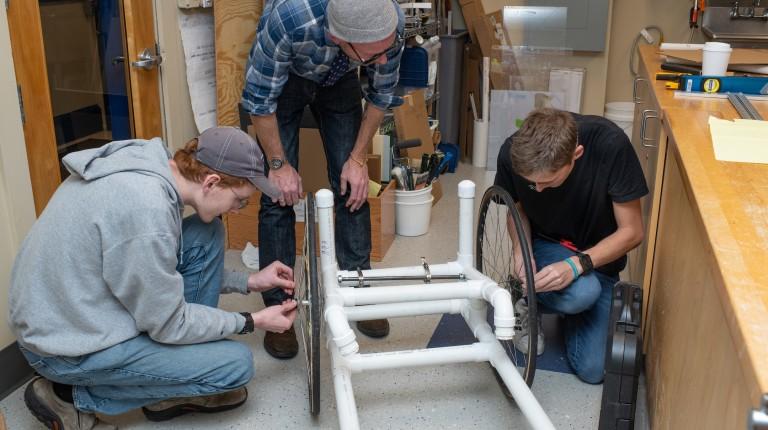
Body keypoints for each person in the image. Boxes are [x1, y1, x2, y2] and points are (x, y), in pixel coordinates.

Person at [9, 127, 298, 429]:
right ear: (211, 182)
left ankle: (174, 372)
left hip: (73, 311)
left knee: (207, 233)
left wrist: (249, 282)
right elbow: (169, 323)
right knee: (235, 365)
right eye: (239, 201)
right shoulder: (147, 212)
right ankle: (69, 397)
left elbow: (158, 265)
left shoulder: (152, 166)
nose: (237, 211)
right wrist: (253, 320)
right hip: (63, 348)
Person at [241, 0, 406, 358]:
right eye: (374, 55)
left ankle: (356, 289)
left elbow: (381, 93)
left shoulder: (388, 23)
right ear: (337, 36)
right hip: (285, 80)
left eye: (386, 50)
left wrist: (358, 159)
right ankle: (281, 306)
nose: (382, 59)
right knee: (277, 195)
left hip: (341, 76)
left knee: (353, 185)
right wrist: (279, 165)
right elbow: (258, 101)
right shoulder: (287, 20)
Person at [494, 108, 647, 384]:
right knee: (583, 293)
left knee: (592, 370)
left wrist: (576, 265)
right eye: (532, 184)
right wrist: (521, 251)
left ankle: (568, 303)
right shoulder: (512, 152)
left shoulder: (610, 146)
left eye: (548, 181)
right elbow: (517, 211)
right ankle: (528, 298)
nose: (538, 191)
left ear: (576, 155)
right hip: (548, 245)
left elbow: (633, 232)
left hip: (599, 258)